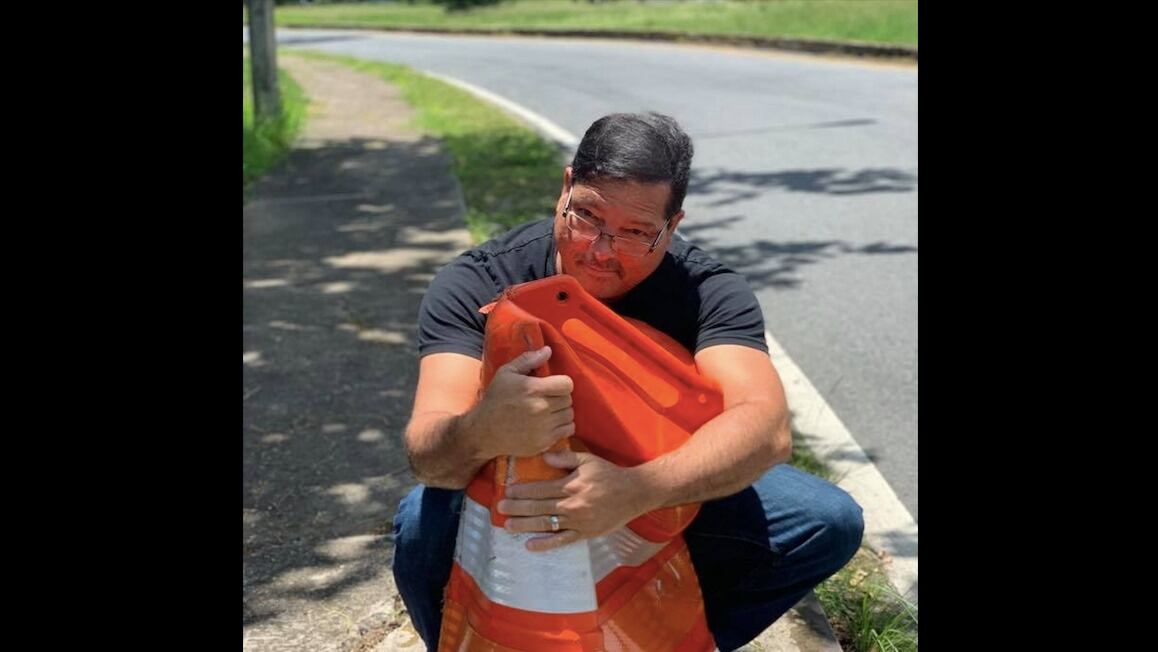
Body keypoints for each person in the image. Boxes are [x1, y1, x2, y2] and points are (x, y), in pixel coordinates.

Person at [393, 112, 863, 651]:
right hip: (514, 484)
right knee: (419, 524)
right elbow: (428, 454)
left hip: (653, 475)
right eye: (587, 216)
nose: (600, 250)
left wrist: (636, 491)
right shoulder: (479, 279)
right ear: (565, 188)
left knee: (826, 519)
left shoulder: (708, 291)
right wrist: (483, 428)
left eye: (636, 233)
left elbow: (766, 428)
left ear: (673, 225)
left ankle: (672, 638)